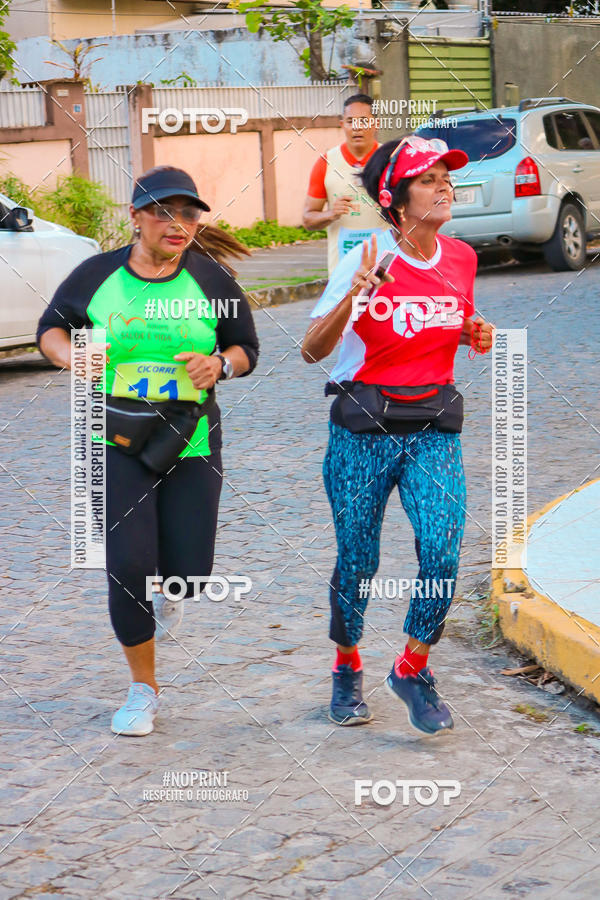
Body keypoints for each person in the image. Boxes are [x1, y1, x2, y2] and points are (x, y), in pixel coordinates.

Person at [37, 166, 259, 736]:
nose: (177, 223)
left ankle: (173, 587)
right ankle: (143, 688)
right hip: (112, 434)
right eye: (163, 211)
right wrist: (71, 357)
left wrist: (221, 365)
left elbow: (246, 348)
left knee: (189, 572)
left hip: (190, 437)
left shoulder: (211, 280)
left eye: (188, 213)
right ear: (135, 217)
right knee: (127, 563)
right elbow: (52, 329)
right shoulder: (97, 275)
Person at [301, 136, 494, 736]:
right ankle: (346, 666)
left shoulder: (461, 257)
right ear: (397, 198)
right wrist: (357, 297)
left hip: (434, 427)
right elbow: (311, 351)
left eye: (446, 177)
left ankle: (411, 668)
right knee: (358, 558)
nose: (444, 186)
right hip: (364, 431)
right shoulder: (367, 258)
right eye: (428, 179)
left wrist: (472, 331)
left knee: (442, 547)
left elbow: (444, 319)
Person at [302, 93, 390, 275]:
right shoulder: (326, 163)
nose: (357, 127)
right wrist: (331, 214)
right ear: (342, 125)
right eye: (350, 121)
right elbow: (308, 220)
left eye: (364, 121)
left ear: (376, 124)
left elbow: (412, 213)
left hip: (385, 270)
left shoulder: (391, 160)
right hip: (342, 275)